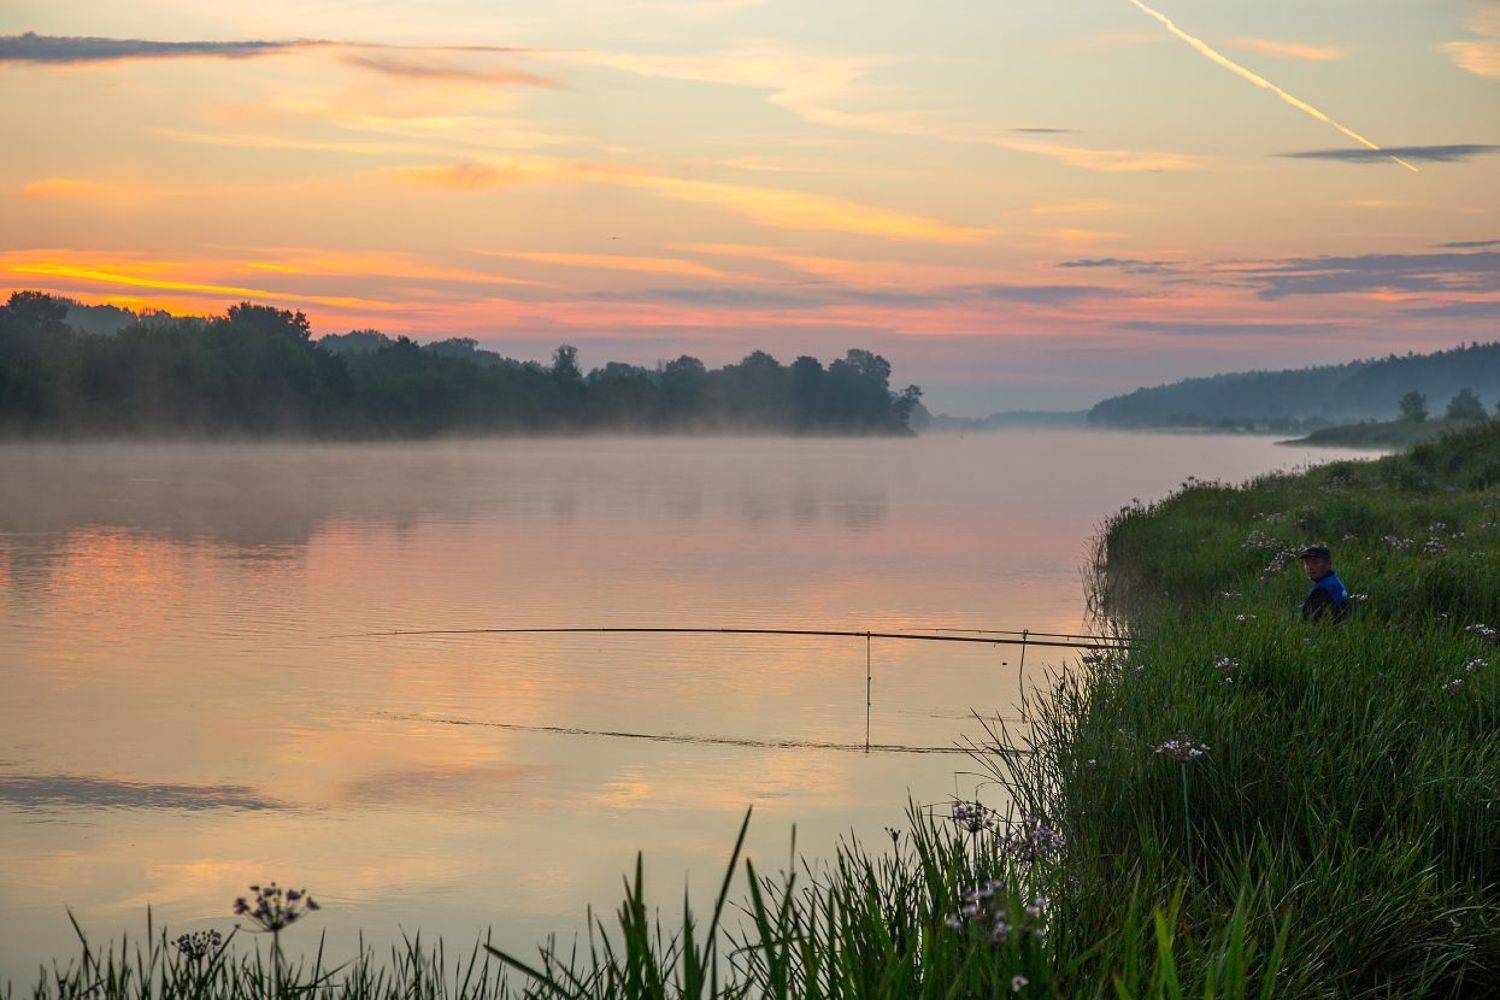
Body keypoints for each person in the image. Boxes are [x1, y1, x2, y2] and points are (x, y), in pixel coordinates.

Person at [1298, 545, 1350, 622]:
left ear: (1329, 564)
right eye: (1307, 563)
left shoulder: (1323, 589)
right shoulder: (1333, 581)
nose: (1310, 567)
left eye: (1316, 562)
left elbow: (1307, 620)